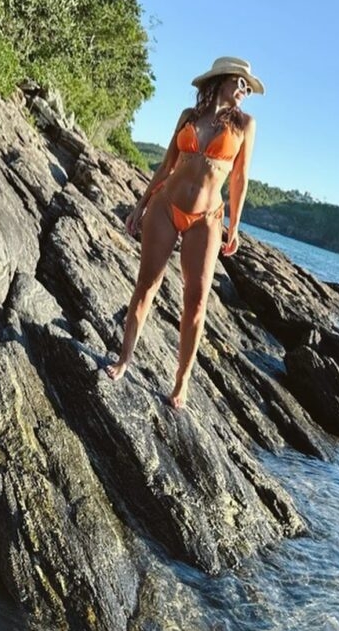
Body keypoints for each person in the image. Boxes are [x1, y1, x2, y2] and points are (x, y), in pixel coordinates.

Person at [106, 56, 264, 408]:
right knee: (146, 284)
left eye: (248, 88)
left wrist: (235, 224)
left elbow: (239, 178)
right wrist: (140, 204)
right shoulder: (188, 117)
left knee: (196, 301)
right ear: (222, 79)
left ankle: (181, 382)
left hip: (207, 218)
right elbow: (166, 165)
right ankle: (124, 359)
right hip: (165, 207)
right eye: (240, 83)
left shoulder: (245, 124)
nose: (244, 91)